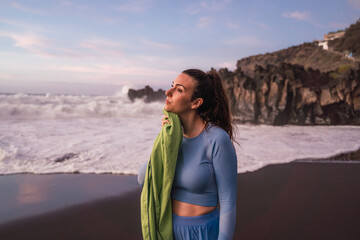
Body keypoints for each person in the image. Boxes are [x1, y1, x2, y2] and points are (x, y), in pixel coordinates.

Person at [138, 69, 237, 240]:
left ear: (195, 103)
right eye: (172, 86)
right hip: (169, 231)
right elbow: (144, 179)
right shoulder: (172, 138)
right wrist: (164, 139)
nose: (168, 92)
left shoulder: (216, 139)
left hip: (202, 233)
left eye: (179, 89)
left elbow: (228, 202)